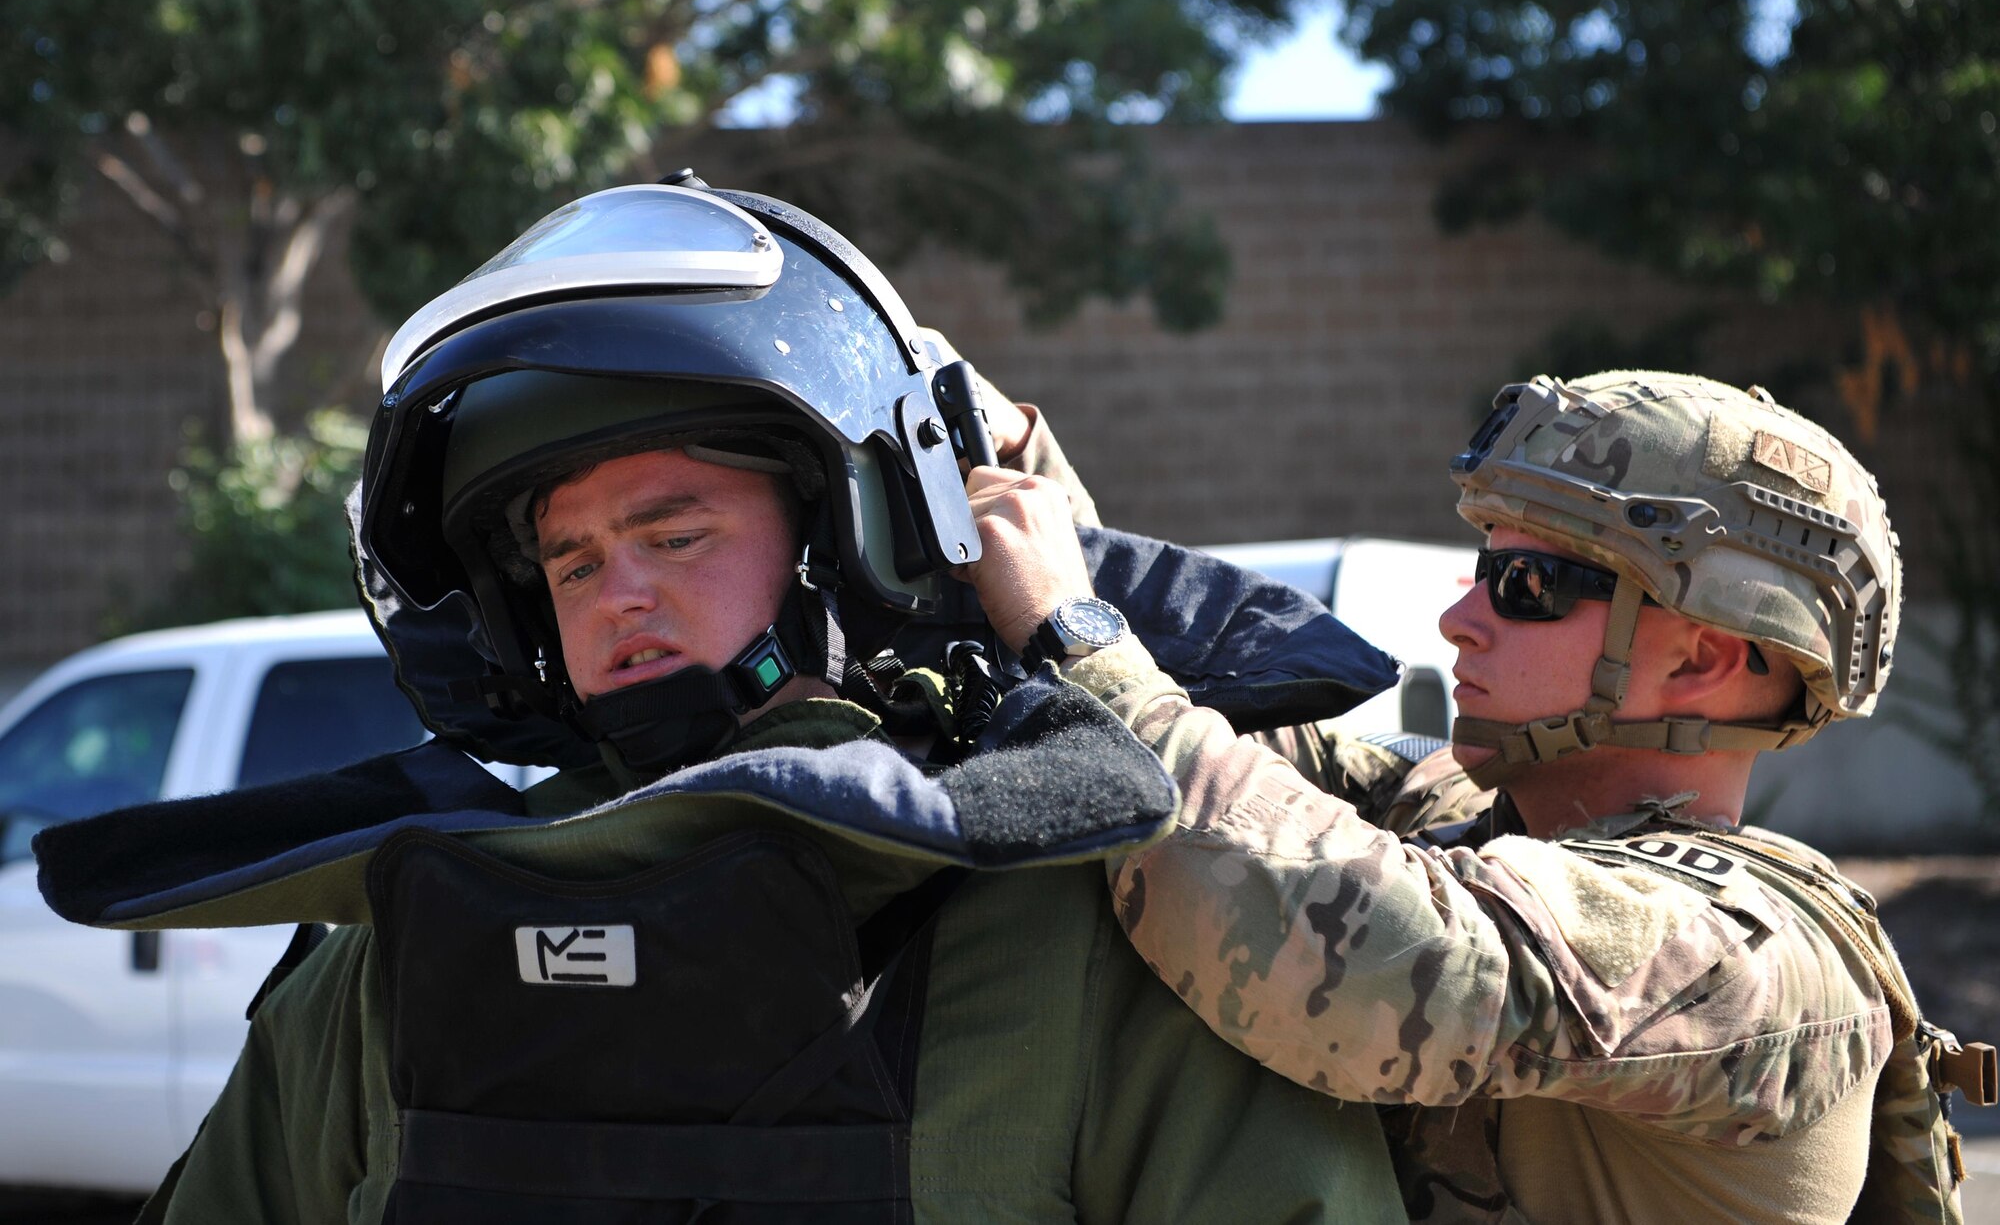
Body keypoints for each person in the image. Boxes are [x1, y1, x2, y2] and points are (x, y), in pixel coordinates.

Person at [36, 177, 1405, 1224]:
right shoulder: (397, 943)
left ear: (847, 540)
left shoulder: (1079, 919)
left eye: (676, 532)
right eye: (570, 560)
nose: (617, 593)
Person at [963, 369, 1993, 1224]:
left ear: (1700, 660)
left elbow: (1363, 953)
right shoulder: (1490, 826)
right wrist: (1018, 470)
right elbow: (1224, 765)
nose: (1459, 616)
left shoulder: (1745, 953)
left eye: (1526, 588)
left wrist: (1073, 634)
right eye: (1479, 565)